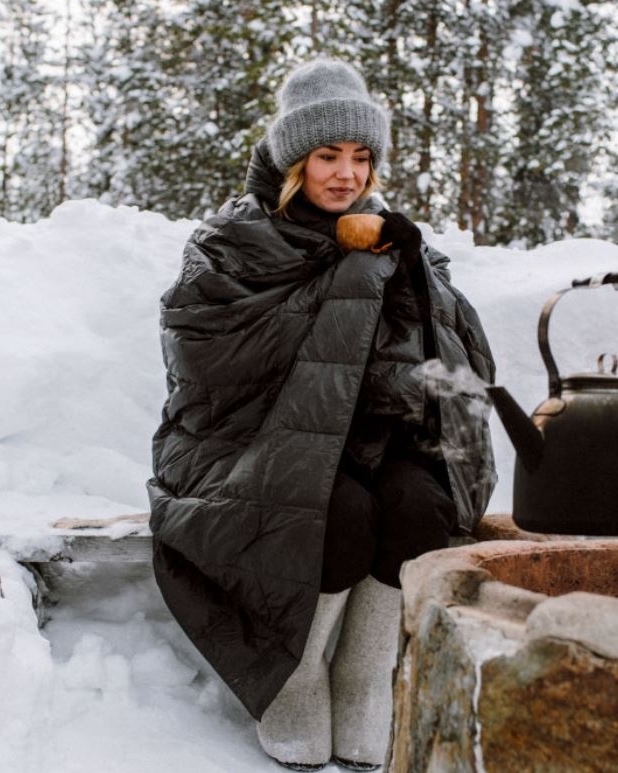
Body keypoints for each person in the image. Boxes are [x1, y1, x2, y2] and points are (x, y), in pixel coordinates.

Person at [148, 59, 495, 771]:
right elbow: (209, 368)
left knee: (419, 503)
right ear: (290, 161)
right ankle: (296, 676)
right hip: (239, 442)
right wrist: (345, 287)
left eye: (361, 156)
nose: (346, 174)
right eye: (327, 155)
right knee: (333, 511)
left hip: (366, 437)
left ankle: (363, 673)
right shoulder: (229, 245)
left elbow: (456, 368)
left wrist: (403, 283)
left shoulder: (397, 245)